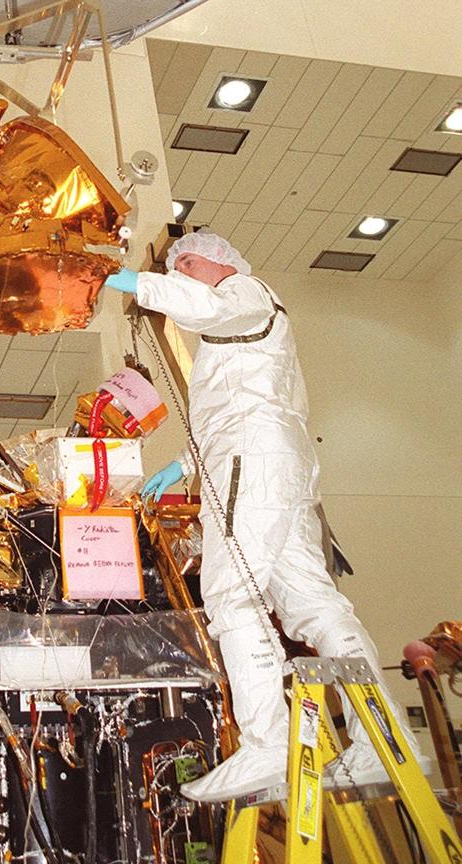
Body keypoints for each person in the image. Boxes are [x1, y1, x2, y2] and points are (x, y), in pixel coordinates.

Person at [105, 232, 424, 802]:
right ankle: (385, 738)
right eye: (175, 268)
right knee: (315, 606)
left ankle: (269, 742)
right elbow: (247, 405)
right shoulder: (244, 328)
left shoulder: (246, 293)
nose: (180, 272)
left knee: (231, 596)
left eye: (188, 262)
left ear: (222, 261)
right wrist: (183, 466)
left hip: (251, 461)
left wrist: (132, 281)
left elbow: (205, 317)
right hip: (277, 466)